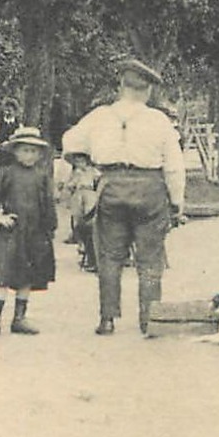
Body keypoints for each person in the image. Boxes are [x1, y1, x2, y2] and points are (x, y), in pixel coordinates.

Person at [61, 58, 186, 336]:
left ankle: (107, 319)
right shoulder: (159, 120)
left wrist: (88, 166)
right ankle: (149, 320)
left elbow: (69, 142)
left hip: (112, 188)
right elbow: (174, 167)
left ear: (121, 85)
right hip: (150, 189)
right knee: (150, 259)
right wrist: (177, 203)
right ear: (149, 90)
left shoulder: (99, 116)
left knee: (109, 256)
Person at [0, 126, 57, 337]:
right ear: (15, 151)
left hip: (35, 233)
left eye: (33, 151)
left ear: (39, 154)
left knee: (27, 275)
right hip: (11, 233)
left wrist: (50, 229)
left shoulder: (42, 177)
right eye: (25, 150)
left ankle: (19, 318)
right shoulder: (7, 174)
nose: (29, 155)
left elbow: (48, 204)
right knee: (2, 274)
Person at [63, 152, 101, 273]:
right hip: (79, 194)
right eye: (77, 162)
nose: (80, 164)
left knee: (89, 215)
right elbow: (69, 185)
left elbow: (99, 179)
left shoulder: (92, 171)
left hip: (89, 193)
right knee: (77, 218)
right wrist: (72, 183)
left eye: (82, 161)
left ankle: (89, 249)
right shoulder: (75, 173)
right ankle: (81, 243)